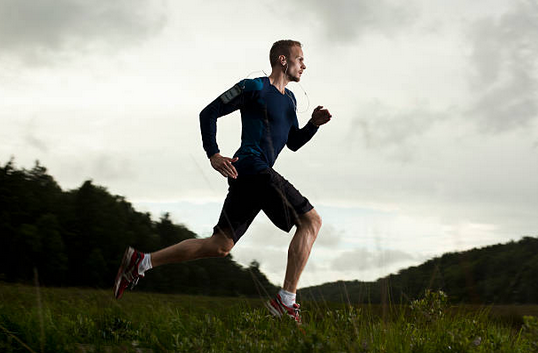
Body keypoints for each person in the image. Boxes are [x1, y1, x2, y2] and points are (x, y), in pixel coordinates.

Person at [114, 39, 333, 324]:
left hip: (250, 176)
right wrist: (213, 154)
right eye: (300, 59)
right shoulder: (254, 87)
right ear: (283, 60)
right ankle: (286, 302)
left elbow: (292, 142)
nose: (304, 64)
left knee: (220, 245)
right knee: (311, 222)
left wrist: (313, 125)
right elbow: (209, 112)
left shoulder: (290, 100)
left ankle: (141, 261)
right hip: (252, 167)